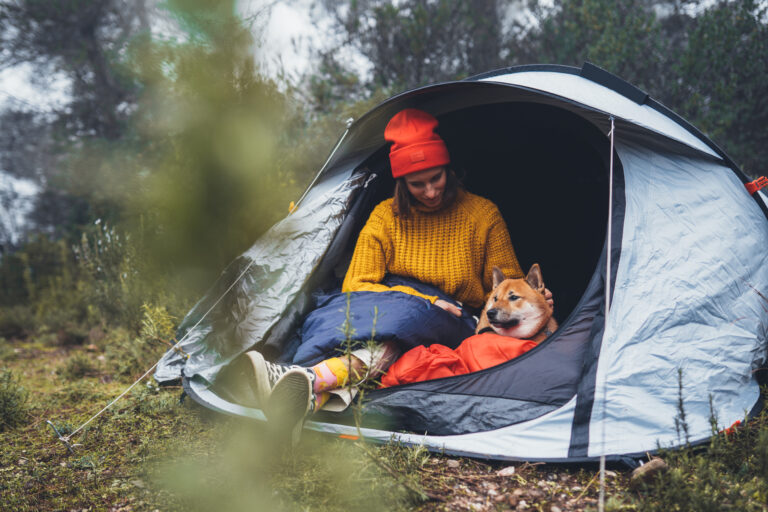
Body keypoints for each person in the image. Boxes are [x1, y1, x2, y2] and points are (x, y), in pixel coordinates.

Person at [243, 108, 552, 443]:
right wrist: (424, 301)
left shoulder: (482, 215)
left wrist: (536, 301)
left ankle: (303, 377)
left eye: (437, 178)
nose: (431, 191)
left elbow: (509, 287)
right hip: (396, 306)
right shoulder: (384, 217)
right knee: (385, 321)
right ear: (401, 182)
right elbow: (356, 285)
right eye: (417, 184)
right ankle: (310, 393)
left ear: (449, 169)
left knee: (399, 324)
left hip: (455, 316)